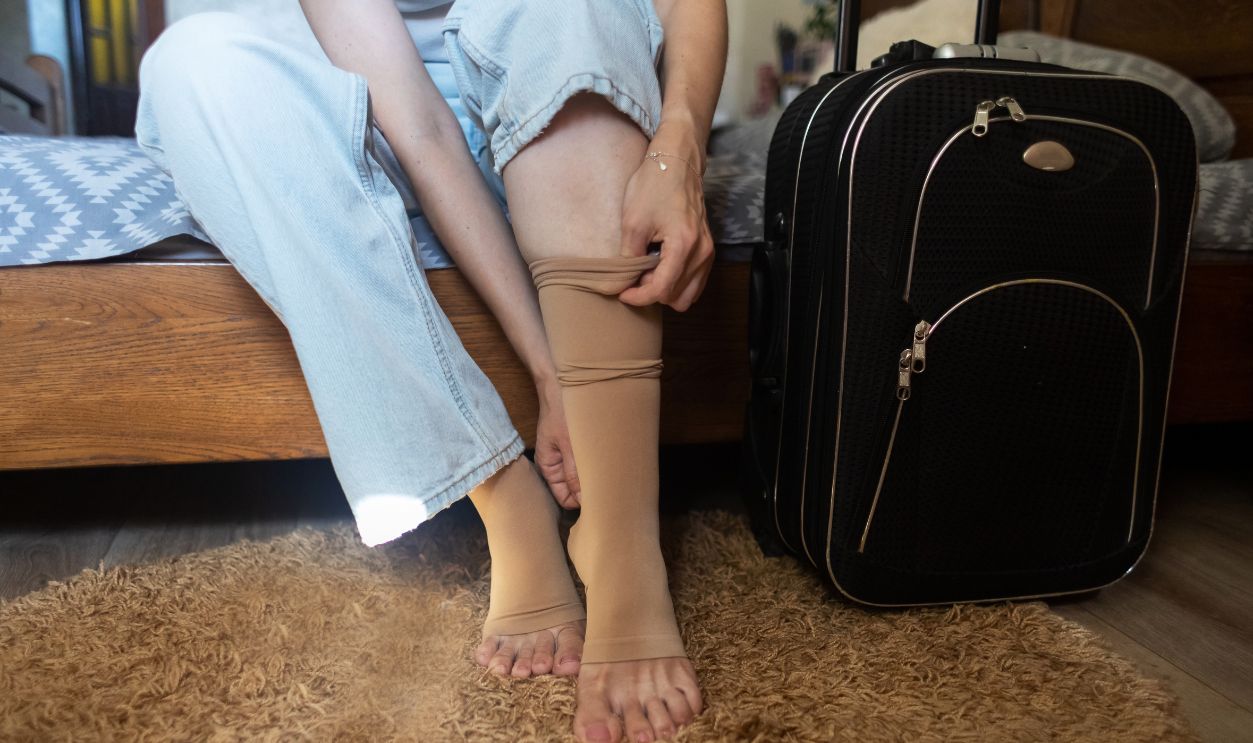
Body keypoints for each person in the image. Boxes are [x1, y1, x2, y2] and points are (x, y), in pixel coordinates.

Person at [134, 0, 727, 740]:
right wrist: (548, 371)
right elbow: (419, 129)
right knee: (198, 61)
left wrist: (679, 151)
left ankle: (620, 543)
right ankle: (508, 500)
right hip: (379, 114)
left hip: (567, 78)